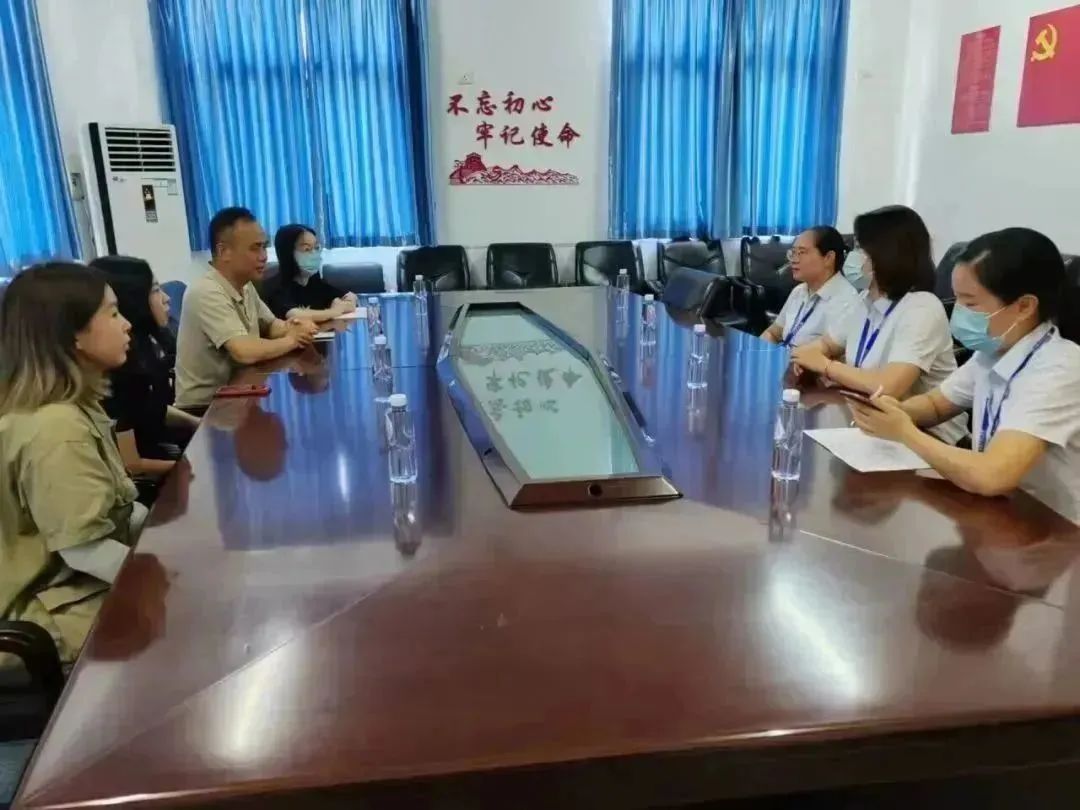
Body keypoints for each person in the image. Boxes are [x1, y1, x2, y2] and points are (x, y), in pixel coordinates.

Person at [849, 228, 1080, 524]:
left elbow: (993, 474)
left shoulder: (1060, 368)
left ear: (1024, 306)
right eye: (956, 299)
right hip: (999, 513)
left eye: (970, 303)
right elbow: (936, 405)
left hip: (1054, 530)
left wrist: (904, 432)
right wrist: (895, 411)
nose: (958, 312)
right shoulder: (994, 352)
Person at [0, 263, 145, 664]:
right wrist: (161, 577)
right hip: (53, 613)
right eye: (113, 314)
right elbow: (85, 550)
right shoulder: (56, 427)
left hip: (76, 588)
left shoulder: (73, 405)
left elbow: (116, 508)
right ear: (72, 335)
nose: (127, 324)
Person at [791, 205, 967, 444]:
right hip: (874, 423)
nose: (853, 256)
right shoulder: (864, 300)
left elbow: (888, 386)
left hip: (928, 437)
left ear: (886, 254)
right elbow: (826, 344)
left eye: (859, 248)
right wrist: (807, 357)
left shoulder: (921, 308)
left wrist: (826, 366)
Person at [175, 207, 318, 413]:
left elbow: (271, 325)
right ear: (224, 251)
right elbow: (244, 352)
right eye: (255, 248)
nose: (264, 257)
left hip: (239, 395)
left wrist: (293, 327)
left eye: (264, 247)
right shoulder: (206, 291)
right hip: (205, 410)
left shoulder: (245, 285)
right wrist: (292, 339)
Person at [91, 256, 200, 478]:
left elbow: (149, 407)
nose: (167, 298)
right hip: (146, 479)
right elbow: (132, 465)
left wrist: (197, 423)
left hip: (161, 451)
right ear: (134, 299)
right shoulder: (120, 370)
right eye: (156, 290)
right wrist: (192, 469)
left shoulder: (147, 348)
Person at [760, 226, 861, 348]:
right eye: (793, 253)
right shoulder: (798, 291)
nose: (793, 260)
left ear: (828, 258)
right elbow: (773, 333)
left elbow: (831, 355)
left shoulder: (847, 302)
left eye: (802, 252)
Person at [261, 224, 358, 321]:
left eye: (316, 248)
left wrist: (338, 301)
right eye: (307, 249)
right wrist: (334, 312)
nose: (314, 254)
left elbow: (349, 296)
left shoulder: (313, 281)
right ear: (287, 253)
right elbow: (294, 315)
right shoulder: (275, 286)